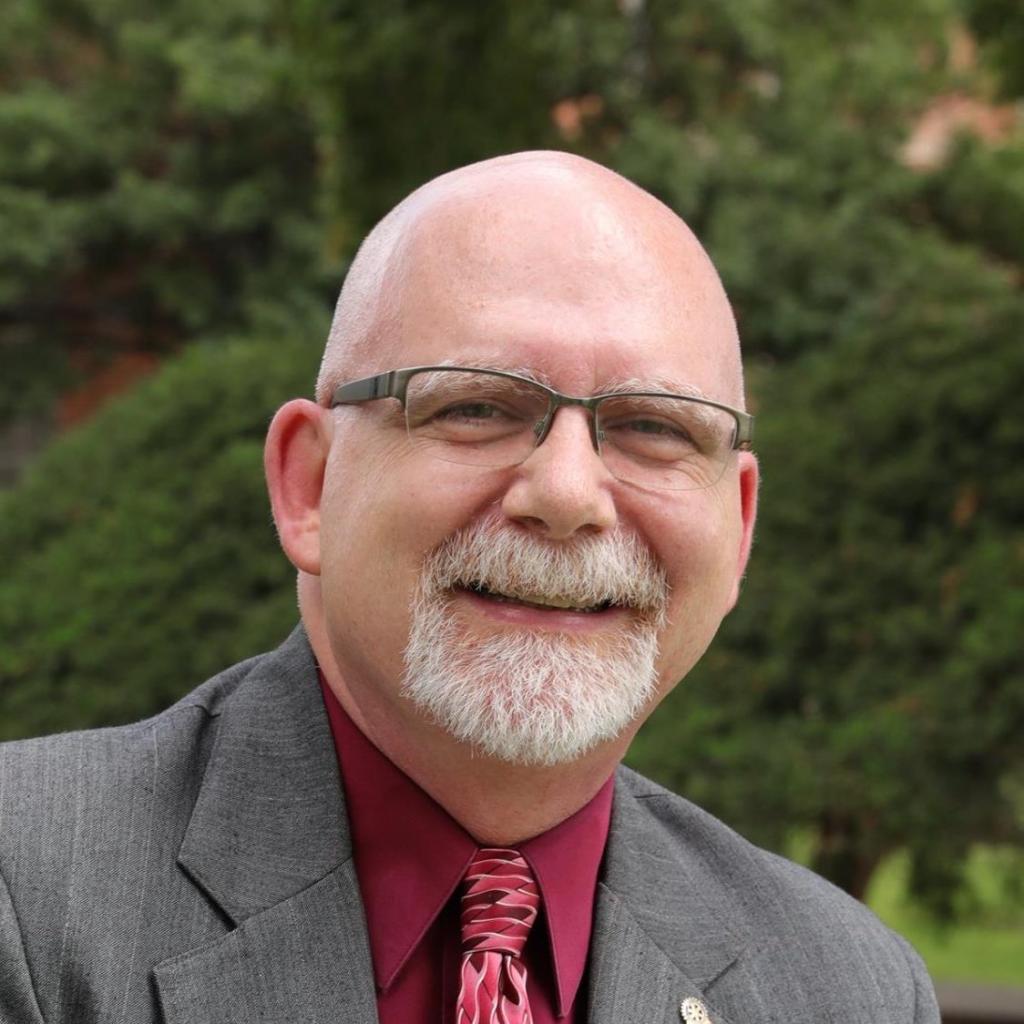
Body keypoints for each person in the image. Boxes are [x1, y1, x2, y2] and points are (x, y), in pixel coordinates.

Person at [0, 152, 938, 1024]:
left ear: (738, 527)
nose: (566, 496)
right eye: (478, 406)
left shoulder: (850, 991)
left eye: (654, 428)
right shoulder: (25, 895)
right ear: (308, 485)